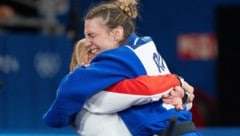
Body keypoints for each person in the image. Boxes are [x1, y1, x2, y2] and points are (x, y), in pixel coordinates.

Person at [43, 0, 201, 135]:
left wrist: (53, 119)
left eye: (92, 35)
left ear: (116, 32)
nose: (88, 43)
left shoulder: (118, 57)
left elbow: (72, 88)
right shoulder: (145, 45)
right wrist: (178, 83)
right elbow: (163, 93)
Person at [69, 38, 193, 136]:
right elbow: (148, 90)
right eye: (96, 52)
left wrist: (182, 95)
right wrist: (177, 81)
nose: (108, 57)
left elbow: (179, 102)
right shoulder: (94, 96)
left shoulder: (124, 79)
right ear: (86, 60)